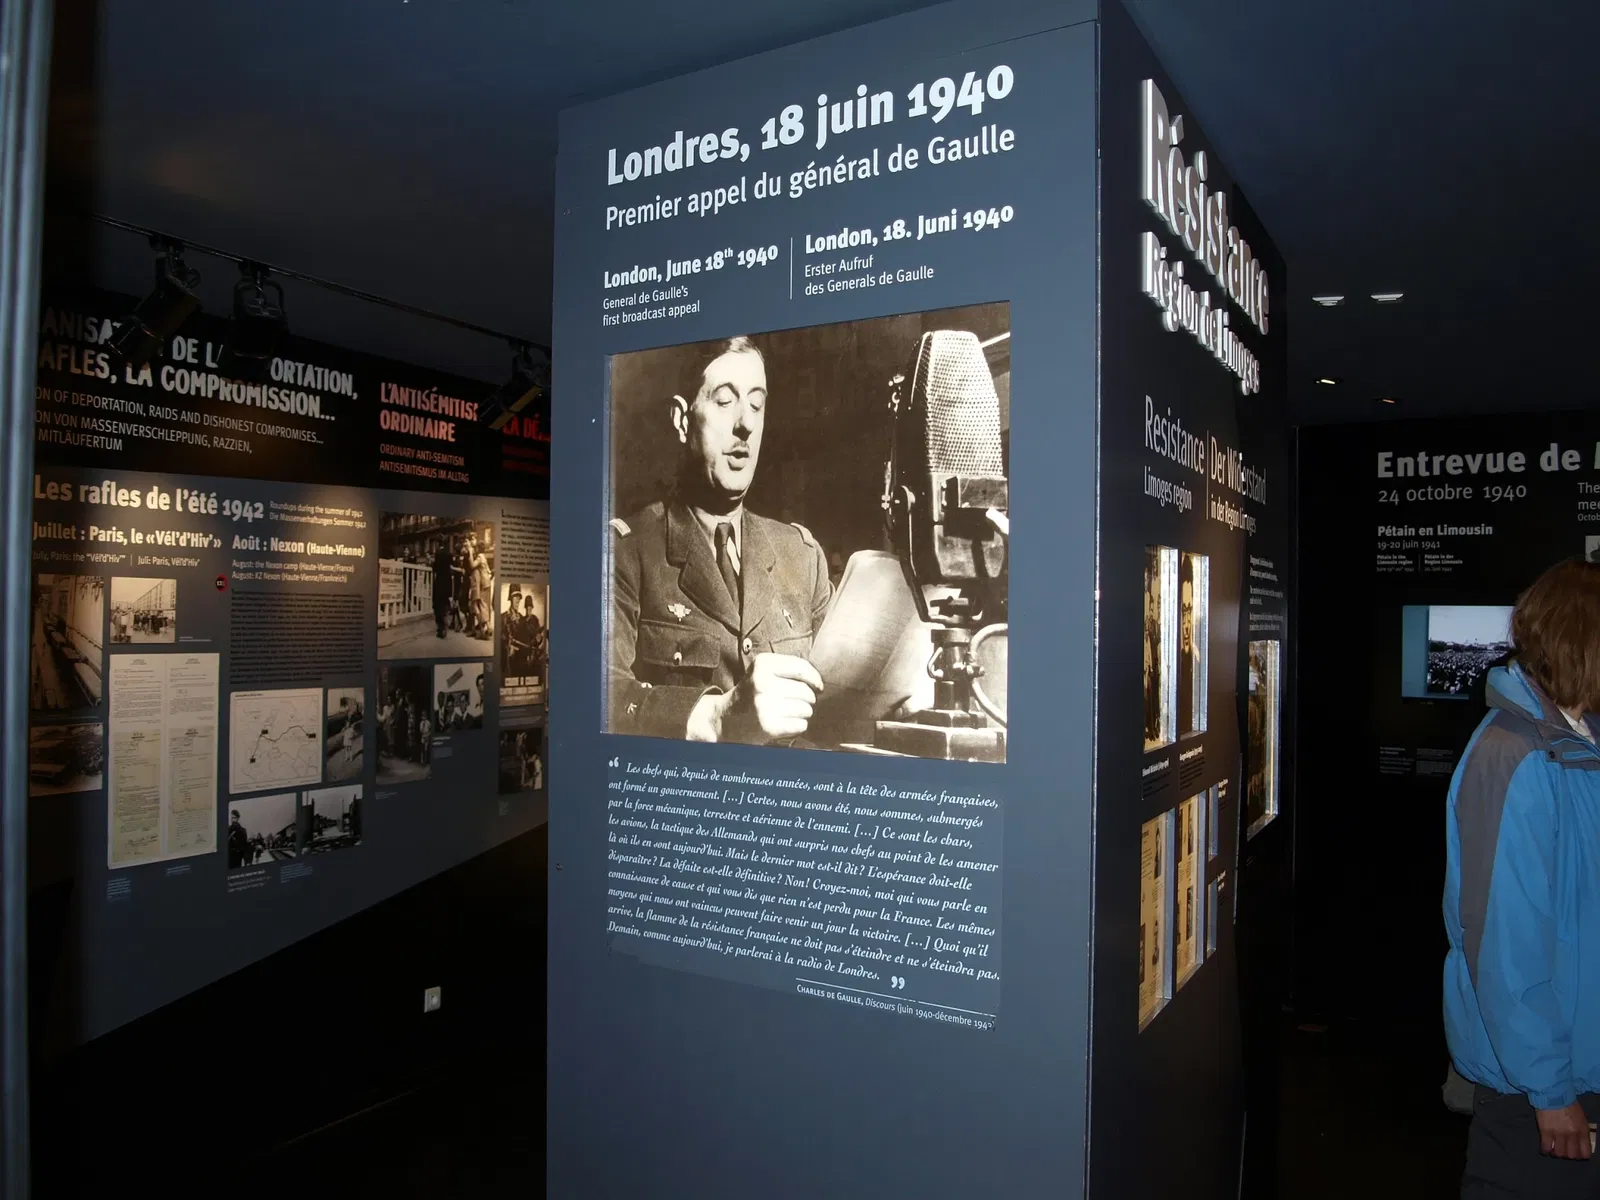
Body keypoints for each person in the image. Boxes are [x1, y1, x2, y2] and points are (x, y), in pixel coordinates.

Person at [1445, 558, 1600, 1196]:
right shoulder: (1514, 756)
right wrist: (1551, 1089)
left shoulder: (1576, 743)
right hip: (1538, 1089)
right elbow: (1504, 946)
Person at [609, 336, 831, 743]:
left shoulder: (802, 556)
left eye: (756, 404)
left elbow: (839, 702)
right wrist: (716, 717)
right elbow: (602, 695)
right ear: (682, 420)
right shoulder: (627, 553)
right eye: (725, 402)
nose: (745, 422)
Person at [430, 536, 455, 639]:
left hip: (440, 582)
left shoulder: (438, 554)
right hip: (447, 583)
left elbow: (435, 568)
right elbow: (450, 566)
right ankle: (445, 621)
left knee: (437, 605)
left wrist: (431, 562)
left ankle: (441, 628)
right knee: (444, 603)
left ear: (438, 544)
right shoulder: (449, 554)